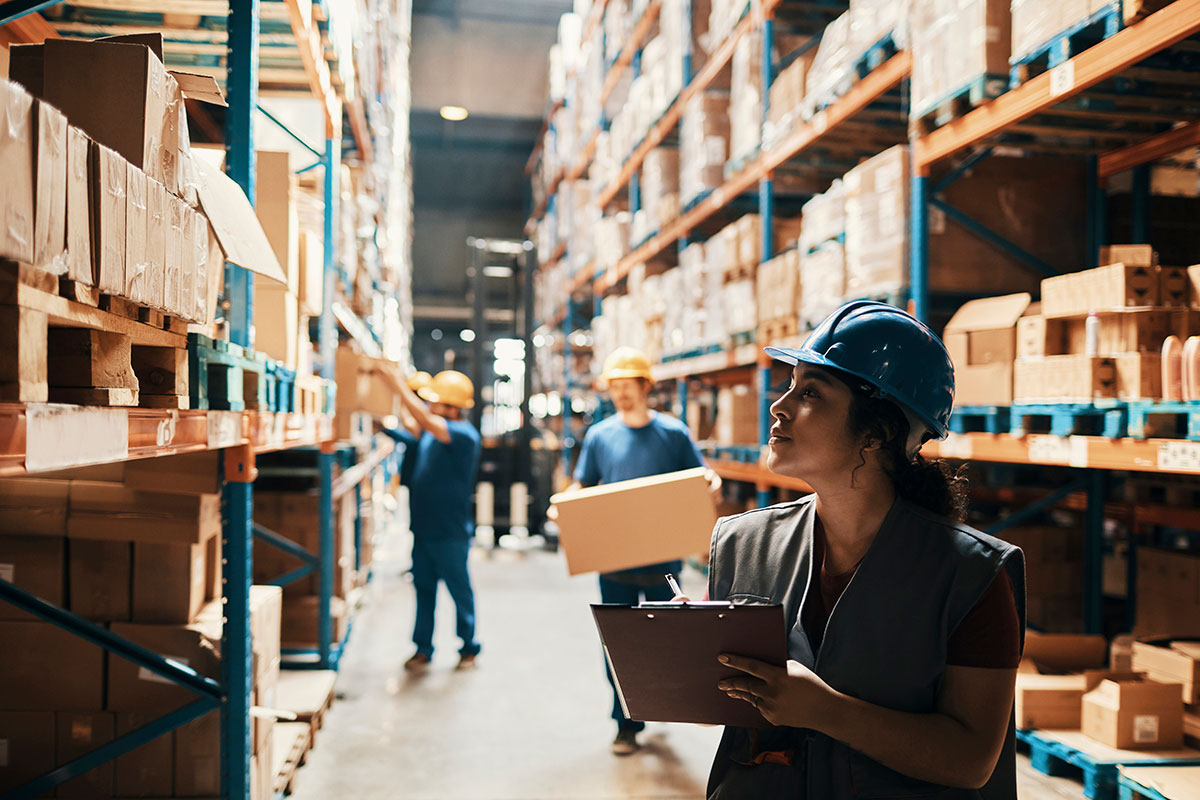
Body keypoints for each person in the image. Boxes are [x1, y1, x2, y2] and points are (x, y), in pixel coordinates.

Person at [697, 301, 1025, 799]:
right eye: (790, 386)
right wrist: (690, 654)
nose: (778, 406)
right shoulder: (744, 545)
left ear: (877, 432)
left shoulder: (970, 576)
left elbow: (972, 760)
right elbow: (726, 706)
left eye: (810, 392)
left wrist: (824, 709)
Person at [561, 346, 722, 756]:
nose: (620, 393)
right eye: (613, 386)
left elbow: (697, 477)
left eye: (627, 384)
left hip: (661, 561)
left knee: (664, 643)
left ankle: (661, 704)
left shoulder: (673, 434)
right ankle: (625, 723)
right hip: (614, 561)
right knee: (618, 645)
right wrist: (565, 503)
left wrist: (711, 482)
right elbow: (584, 484)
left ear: (645, 386)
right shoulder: (600, 436)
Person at [375, 367, 483, 672]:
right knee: (424, 590)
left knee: (459, 591)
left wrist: (397, 385)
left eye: (434, 401)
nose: (428, 405)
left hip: (449, 533)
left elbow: (421, 420)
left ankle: (469, 647)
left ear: (451, 406)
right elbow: (413, 427)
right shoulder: (432, 433)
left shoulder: (462, 435)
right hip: (423, 530)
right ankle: (423, 648)